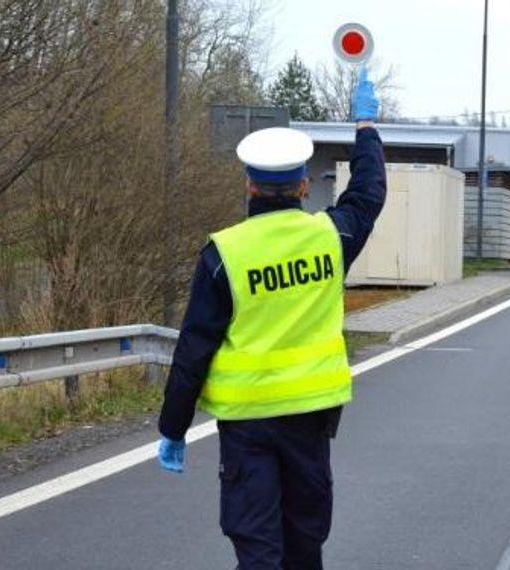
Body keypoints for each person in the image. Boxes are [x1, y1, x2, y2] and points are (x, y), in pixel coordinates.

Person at [155, 70, 386, 568]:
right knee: (304, 543)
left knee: (258, 544)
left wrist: (174, 427)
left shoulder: (223, 254)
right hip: (311, 419)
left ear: (249, 185)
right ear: (304, 184)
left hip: (248, 426)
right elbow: (368, 194)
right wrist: (365, 127)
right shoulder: (331, 236)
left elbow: (194, 348)